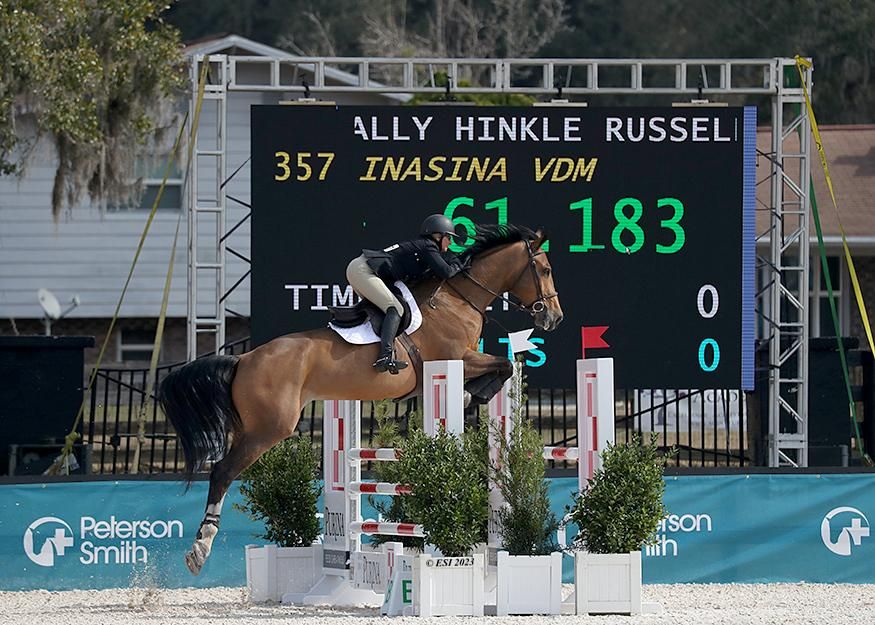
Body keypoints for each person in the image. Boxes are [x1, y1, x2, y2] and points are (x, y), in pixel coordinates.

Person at [347, 214, 466, 373]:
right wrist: (459, 263)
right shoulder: (428, 246)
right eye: (449, 237)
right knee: (395, 309)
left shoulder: (423, 247)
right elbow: (446, 272)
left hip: (363, 268)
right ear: (438, 236)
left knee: (384, 311)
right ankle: (385, 356)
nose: (450, 242)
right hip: (364, 270)